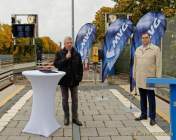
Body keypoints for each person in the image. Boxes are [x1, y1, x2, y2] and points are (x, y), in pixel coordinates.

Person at [133, 32, 161, 126]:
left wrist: (158, 78)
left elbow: (158, 65)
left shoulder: (155, 49)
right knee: (142, 97)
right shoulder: (138, 49)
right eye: (143, 38)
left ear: (150, 38)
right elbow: (135, 64)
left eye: (146, 38)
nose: (144, 39)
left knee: (151, 98)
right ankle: (144, 114)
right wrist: (134, 75)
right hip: (140, 77)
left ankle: (152, 118)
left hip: (150, 78)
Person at [54, 36, 83, 126]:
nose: (69, 44)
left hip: (74, 81)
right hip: (64, 81)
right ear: (65, 44)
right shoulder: (59, 53)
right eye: (68, 43)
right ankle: (66, 117)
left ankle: (75, 118)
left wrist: (79, 78)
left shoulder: (77, 54)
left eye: (71, 42)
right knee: (64, 99)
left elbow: (80, 67)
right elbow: (56, 64)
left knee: (75, 100)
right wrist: (65, 58)